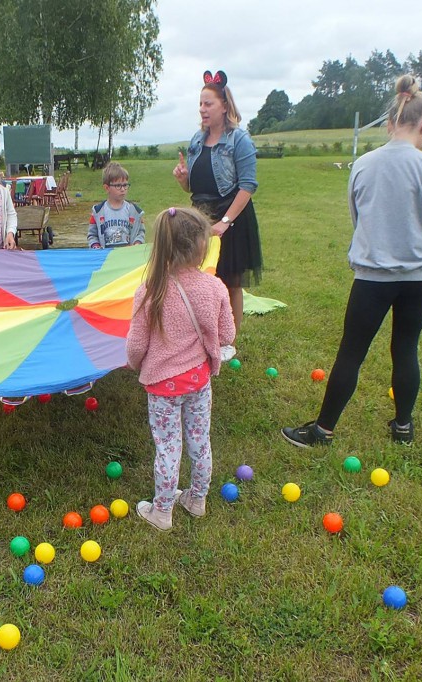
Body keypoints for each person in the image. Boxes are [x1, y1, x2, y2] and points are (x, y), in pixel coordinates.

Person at [280, 75, 422, 448]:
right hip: (420, 277)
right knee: (406, 348)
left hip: (371, 276)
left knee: (352, 351)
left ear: (390, 122)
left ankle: (323, 430)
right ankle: (403, 426)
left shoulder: (362, 164)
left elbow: (358, 219)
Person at [126, 207, 236, 531]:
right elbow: (228, 334)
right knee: (200, 441)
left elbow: (135, 345)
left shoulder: (150, 290)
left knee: (168, 447)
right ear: (202, 247)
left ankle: (162, 512)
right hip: (199, 381)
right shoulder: (215, 287)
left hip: (162, 386)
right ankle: (197, 500)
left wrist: (136, 365)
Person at [172, 70, 262, 334]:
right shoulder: (197, 140)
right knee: (200, 277)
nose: (202, 109)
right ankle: (205, 332)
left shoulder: (239, 140)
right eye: (200, 103)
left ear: (224, 107)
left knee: (230, 281)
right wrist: (182, 178)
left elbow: (247, 186)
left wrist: (225, 222)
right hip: (200, 217)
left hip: (230, 218)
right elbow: (192, 187)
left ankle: (229, 340)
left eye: (208, 103)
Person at [87, 161, 145, 249]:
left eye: (125, 185)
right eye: (118, 185)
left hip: (128, 257)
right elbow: (92, 235)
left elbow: (140, 232)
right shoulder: (98, 212)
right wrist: (95, 246)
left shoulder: (134, 211)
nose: (123, 189)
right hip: (106, 257)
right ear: (107, 188)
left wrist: (137, 243)